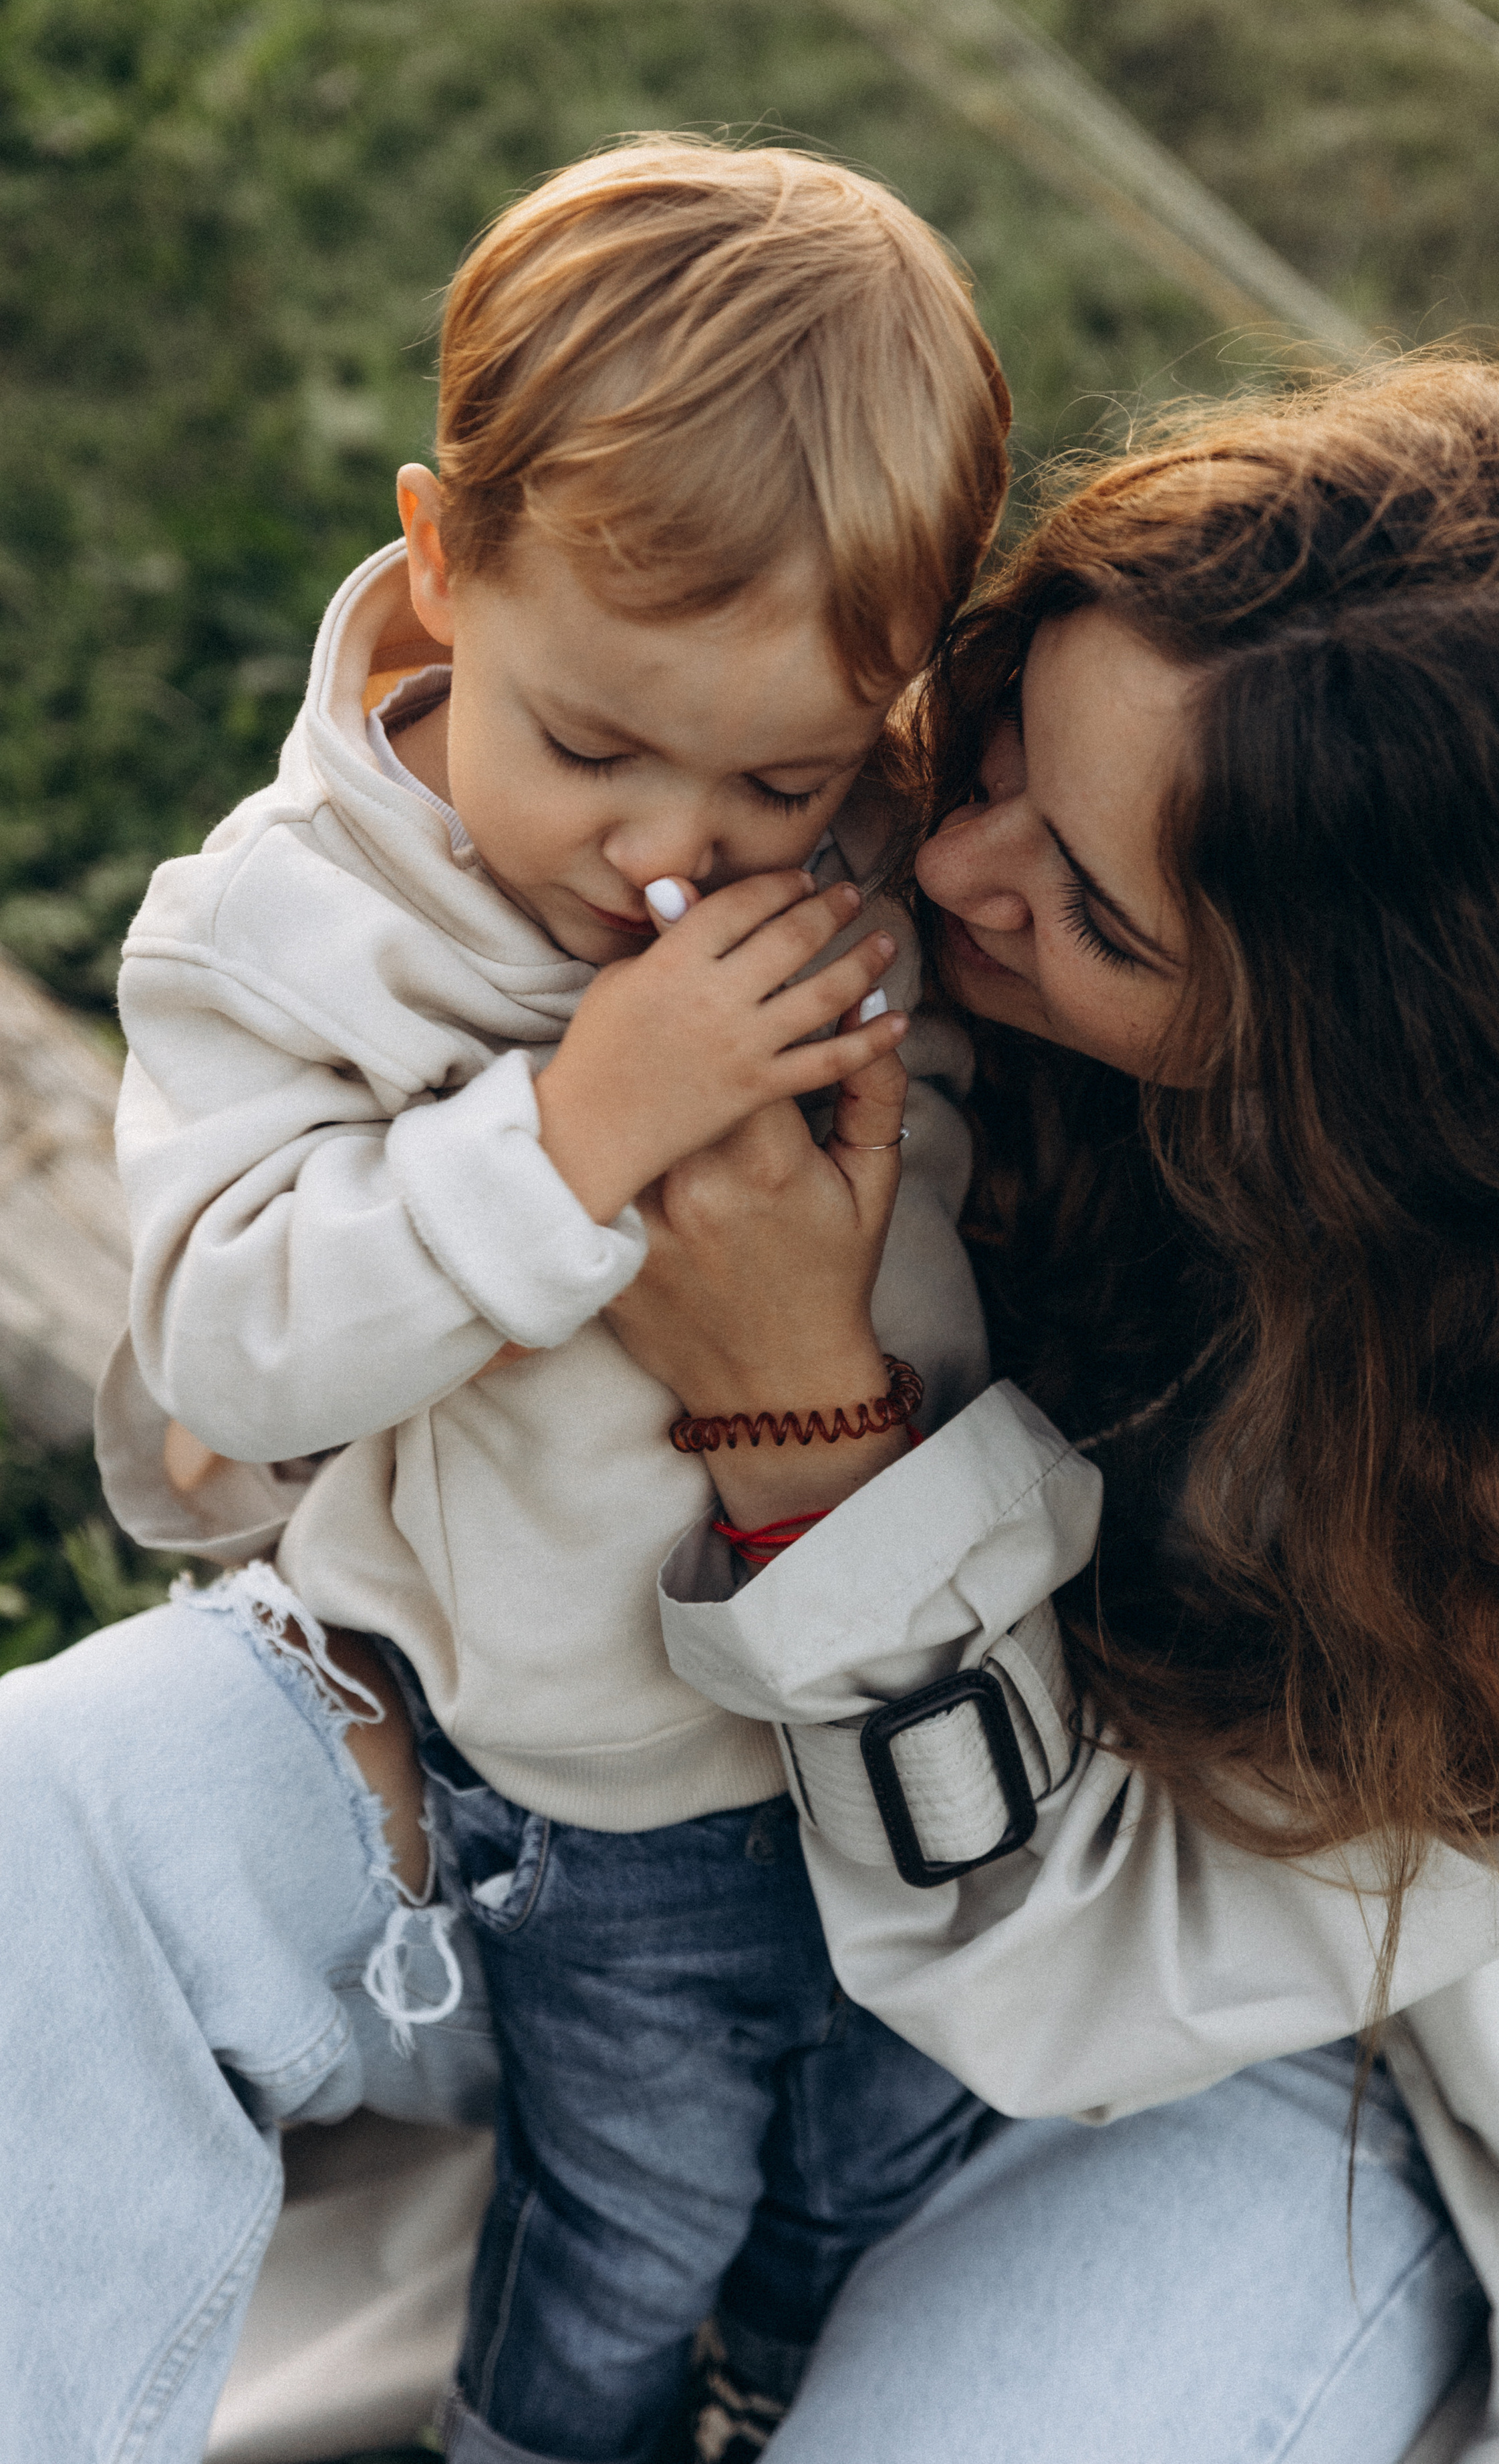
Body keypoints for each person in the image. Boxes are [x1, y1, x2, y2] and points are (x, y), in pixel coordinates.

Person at [4, 134, 1010, 2464]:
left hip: (925, 1741)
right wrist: (572, 1135)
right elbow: (233, 1356)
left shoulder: (888, 858)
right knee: (633, 2213)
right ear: (445, 564)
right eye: (586, 748)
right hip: (592, 1782)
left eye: (778, 774)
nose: (670, 849)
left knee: (871, 2188)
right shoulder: (286, 930)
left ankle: (785, 2382)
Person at [599, 357, 1499, 2463]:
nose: (955, 872)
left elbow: (1076, 1970)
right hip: (641, 1831)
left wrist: (799, 1427)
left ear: (1381, 1083)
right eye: (1007, 740)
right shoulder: (901, 845)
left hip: (1252, 2050)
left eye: (1095, 915)